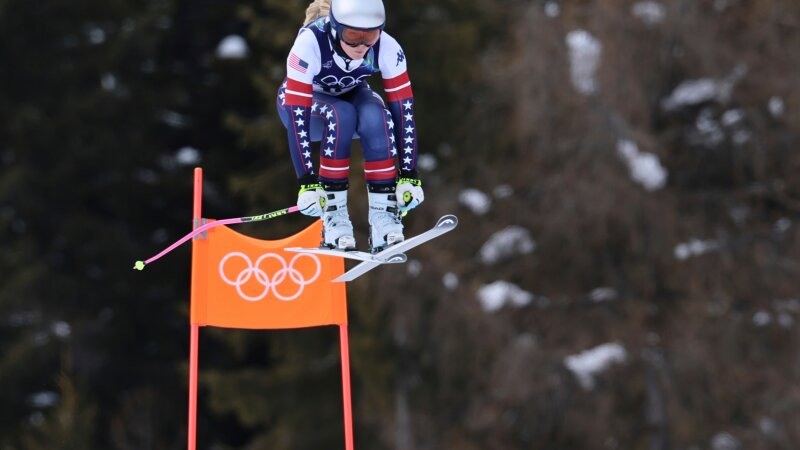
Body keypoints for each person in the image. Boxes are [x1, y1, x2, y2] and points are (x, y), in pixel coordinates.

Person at [277, 0, 424, 252]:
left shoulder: (387, 47)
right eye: (352, 36)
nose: (361, 46)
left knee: (377, 114)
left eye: (370, 36)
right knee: (340, 114)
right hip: (305, 109)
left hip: (351, 97)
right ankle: (334, 219)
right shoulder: (309, 44)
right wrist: (307, 182)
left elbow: (404, 110)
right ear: (334, 28)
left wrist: (409, 176)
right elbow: (296, 114)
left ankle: (383, 217)